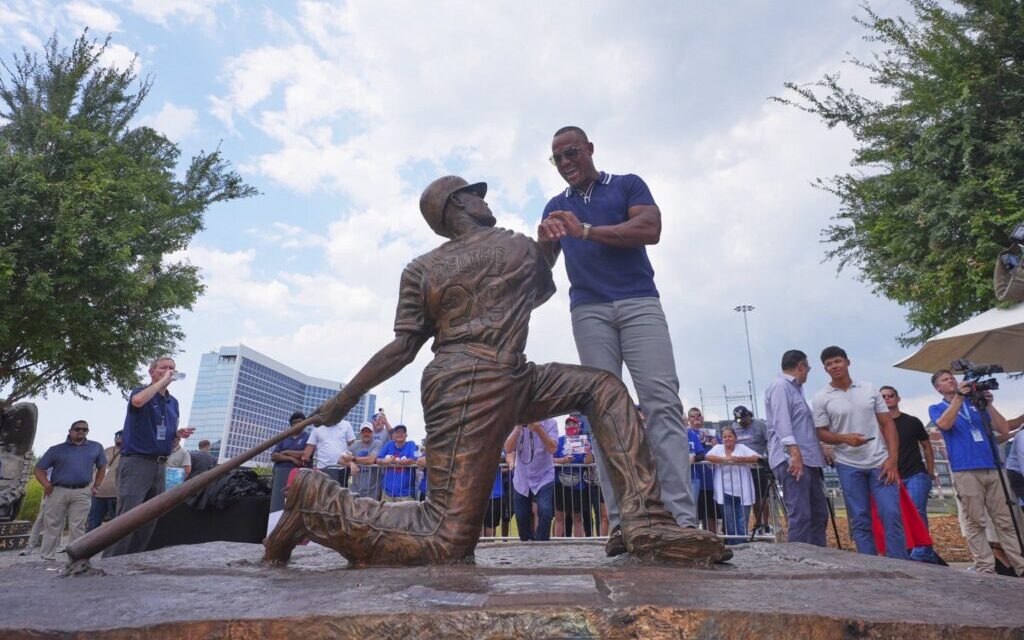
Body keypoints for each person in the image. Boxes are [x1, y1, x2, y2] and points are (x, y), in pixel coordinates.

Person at [263, 176, 728, 566]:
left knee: (601, 388)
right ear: (458, 204)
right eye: (475, 193)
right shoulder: (507, 249)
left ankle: (647, 523)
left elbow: (403, 348)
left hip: (510, 376)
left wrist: (343, 400)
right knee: (445, 539)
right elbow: (529, 292)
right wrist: (549, 248)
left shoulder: (426, 267)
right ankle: (317, 502)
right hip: (466, 385)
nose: (485, 200)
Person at [538, 126, 699, 557]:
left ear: (590, 149)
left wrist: (586, 231)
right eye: (557, 158)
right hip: (588, 310)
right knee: (603, 414)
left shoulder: (626, 184)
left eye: (571, 152)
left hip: (639, 301)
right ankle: (624, 523)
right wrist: (540, 247)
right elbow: (541, 274)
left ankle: (682, 520)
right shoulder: (555, 207)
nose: (566, 161)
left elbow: (651, 228)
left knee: (661, 403)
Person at [813, 346, 907, 560]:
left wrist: (893, 459)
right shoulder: (821, 397)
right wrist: (844, 438)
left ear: (847, 362)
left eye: (837, 361)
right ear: (825, 369)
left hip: (879, 461)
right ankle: (869, 565)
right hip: (848, 464)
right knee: (860, 519)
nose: (834, 366)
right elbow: (822, 433)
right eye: (828, 364)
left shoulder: (869, 389)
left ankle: (901, 564)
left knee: (891, 514)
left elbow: (888, 424)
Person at [928, 369, 1024, 575]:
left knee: (1005, 520)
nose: (951, 380)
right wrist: (959, 398)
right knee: (975, 521)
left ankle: (1020, 566)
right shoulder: (937, 408)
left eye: (952, 377)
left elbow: (1004, 429)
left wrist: (989, 404)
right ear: (938, 388)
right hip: (966, 470)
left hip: (993, 466)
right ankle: (985, 567)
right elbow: (945, 424)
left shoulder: (976, 406)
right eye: (945, 380)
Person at [105, 356, 193, 557]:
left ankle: (133, 559)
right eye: (163, 368)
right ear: (152, 371)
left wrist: (178, 434)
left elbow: (166, 435)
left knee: (150, 516)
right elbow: (137, 402)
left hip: (160, 464)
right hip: (137, 462)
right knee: (128, 515)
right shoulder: (140, 392)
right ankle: (110, 560)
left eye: (172, 368)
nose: (169, 371)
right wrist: (161, 382)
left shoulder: (173, 403)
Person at [763, 350, 828, 547]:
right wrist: (794, 452)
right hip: (793, 460)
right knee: (801, 515)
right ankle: (800, 560)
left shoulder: (796, 389)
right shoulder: (781, 386)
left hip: (809, 459)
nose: (807, 372)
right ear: (801, 366)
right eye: (807, 368)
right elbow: (782, 422)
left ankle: (819, 555)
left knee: (818, 513)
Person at [881, 385, 941, 562]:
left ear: (898, 399)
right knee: (896, 515)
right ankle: (907, 550)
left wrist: (930, 471)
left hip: (915, 474)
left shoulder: (912, 421)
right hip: (892, 477)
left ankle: (922, 552)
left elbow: (927, 446)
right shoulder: (878, 425)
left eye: (890, 395)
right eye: (883, 397)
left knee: (917, 511)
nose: (887, 399)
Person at [34, 421, 107, 560]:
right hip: (58, 491)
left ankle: (76, 559)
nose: (81, 431)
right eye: (78, 429)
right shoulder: (56, 449)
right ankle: (46, 557)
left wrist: (96, 485)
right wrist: (47, 485)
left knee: (78, 526)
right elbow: (38, 469)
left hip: (82, 491)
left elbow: (102, 466)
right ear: (70, 430)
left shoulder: (96, 447)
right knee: (52, 525)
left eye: (85, 429)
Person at [704, 427, 760, 544]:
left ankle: (742, 547)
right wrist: (725, 459)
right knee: (729, 523)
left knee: (742, 522)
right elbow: (708, 457)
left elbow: (757, 457)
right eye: (724, 437)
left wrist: (743, 459)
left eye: (730, 436)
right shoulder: (718, 448)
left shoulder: (742, 448)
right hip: (724, 492)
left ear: (735, 438)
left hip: (743, 492)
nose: (727, 439)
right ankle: (732, 548)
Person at [507, 421, 557, 542]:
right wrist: (517, 428)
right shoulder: (516, 424)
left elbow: (552, 448)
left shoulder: (551, 423)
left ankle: (541, 543)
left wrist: (539, 429)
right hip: (522, 478)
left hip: (544, 476)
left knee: (545, 511)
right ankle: (526, 543)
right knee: (521, 516)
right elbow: (508, 448)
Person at [731, 406, 772, 536]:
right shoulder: (734, 426)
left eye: (743, 418)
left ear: (749, 415)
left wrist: (768, 459)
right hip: (742, 468)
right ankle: (757, 523)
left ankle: (766, 524)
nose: (741, 422)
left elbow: (769, 441)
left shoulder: (760, 425)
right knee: (752, 498)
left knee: (762, 497)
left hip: (758, 466)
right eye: (739, 420)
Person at [554, 415, 594, 537]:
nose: (570, 427)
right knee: (560, 516)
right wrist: (563, 460)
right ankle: (557, 544)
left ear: (578, 426)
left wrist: (587, 452)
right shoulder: (559, 440)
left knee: (577, 517)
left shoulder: (584, 440)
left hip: (578, 484)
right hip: (560, 482)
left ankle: (579, 545)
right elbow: (550, 459)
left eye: (573, 424)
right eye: (568, 424)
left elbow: (588, 462)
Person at [269, 412, 310, 513]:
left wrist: (286, 451)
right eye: (295, 422)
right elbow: (274, 456)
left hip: (299, 477)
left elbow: (305, 454)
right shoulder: (284, 437)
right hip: (280, 475)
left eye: (300, 422)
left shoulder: (308, 437)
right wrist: (291, 459)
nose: (297, 424)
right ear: (291, 425)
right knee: (277, 506)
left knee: (297, 505)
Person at [687, 407, 717, 533]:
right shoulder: (686, 433)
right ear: (688, 419)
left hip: (710, 480)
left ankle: (713, 539)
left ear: (702, 417)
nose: (696, 418)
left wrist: (716, 444)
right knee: (693, 513)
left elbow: (721, 449)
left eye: (698, 415)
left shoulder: (711, 434)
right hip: (693, 478)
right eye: (693, 416)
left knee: (711, 514)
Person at [301, 417, 355, 486]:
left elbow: (353, 446)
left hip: (341, 469)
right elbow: (310, 446)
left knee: (340, 494)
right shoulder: (317, 427)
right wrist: (305, 457)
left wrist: (353, 462)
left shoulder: (346, 425)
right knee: (322, 494)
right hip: (322, 469)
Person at [87, 430, 122, 532]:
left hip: (116, 494)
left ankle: (116, 546)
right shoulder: (106, 451)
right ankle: (89, 545)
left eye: (122, 436)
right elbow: (93, 468)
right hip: (98, 494)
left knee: (117, 524)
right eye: (117, 436)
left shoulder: (130, 453)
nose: (119, 438)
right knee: (93, 523)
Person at [377, 424, 418, 502]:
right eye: (397, 432)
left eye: (402, 432)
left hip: (406, 495)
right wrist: (383, 461)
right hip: (387, 493)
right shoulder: (389, 444)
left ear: (406, 435)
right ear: (393, 435)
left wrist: (402, 462)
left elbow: (415, 460)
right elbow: (378, 459)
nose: (400, 434)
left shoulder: (411, 444)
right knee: (385, 514)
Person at [349, 422, 383, 499]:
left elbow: (371, 460)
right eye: (364, 431)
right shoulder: (354, 445)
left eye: (369, 431)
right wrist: (351, 463)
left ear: (373, 433)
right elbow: (340, 459)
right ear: (360, 433)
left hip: (372, 490)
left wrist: (353, 459)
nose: (366, 434)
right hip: (356, 489)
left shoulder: (377, 443)